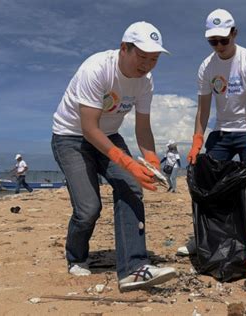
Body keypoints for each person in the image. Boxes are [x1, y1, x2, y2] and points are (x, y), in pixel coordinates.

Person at [51, 21, 176, 291]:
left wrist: (152, 161)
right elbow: (89, 128)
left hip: (109, 135)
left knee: (131, 187)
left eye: (153, 59)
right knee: (88, 209)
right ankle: (76, 256)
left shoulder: (146, 82)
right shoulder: (96, 69)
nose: (147, 65)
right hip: (71, 137)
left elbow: (143, 129)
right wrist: (128, 161)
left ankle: (133, 267)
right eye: (142, 57)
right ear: (124, 48)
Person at [179, 8, 246, 256]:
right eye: (212, 41)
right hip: (222, 132)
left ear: (234, 33)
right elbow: (203, 109)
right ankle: (207, 238)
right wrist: (197, 141)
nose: (218, 46)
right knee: (210, 185)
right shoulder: (206, 67)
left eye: (223, 40)